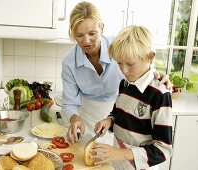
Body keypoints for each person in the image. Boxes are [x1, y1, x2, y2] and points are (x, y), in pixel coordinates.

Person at [61, 1, 170, 144]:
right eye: (79, 35)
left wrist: (155, 75)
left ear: (102, 28)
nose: (86, 41)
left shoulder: (118, 47)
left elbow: (141, 63)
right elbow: (69, 103)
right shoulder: (69, 62)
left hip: (122, 116)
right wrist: (75, 118)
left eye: (92, 33)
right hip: (88, 120)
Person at [91, 25, 172, 170]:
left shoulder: (159, 93)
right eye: (119, 63)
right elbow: (118, 113)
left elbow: (163, 150)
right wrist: (109, 120)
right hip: (118, 161)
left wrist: (120, 153)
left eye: (130, 64)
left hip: (141, 166)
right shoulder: (125, 84)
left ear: (150, 57)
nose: (124, 71)